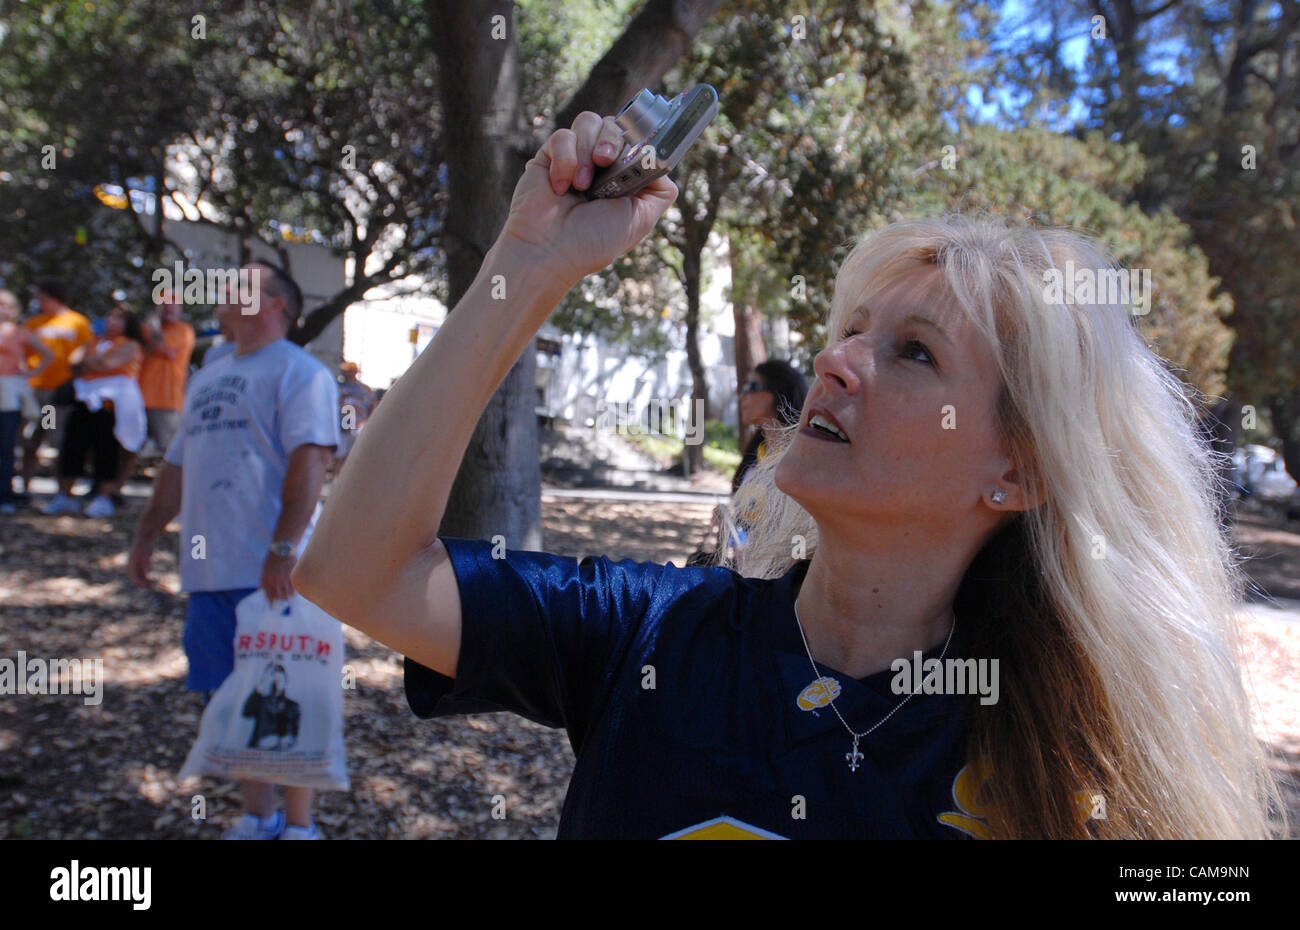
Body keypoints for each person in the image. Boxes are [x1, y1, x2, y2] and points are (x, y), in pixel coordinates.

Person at [294, 112, 1284, 839]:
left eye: (914, 354)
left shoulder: (1065, 768)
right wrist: (528, 262)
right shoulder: (647, 636)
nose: (837, 362)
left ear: (1017, 474)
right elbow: (354, 574)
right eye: (849, 331)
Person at [127, 260, 339, 841]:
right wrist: (147, 534)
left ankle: (299, 825)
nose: (222, 296)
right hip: (209, 570)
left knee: (290, 689)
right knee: (228, 697)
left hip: (275, 571)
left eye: (239, 288)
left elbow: (311, 462)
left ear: (276, 306)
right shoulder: (207, 372)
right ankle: (258, 814)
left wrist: (282, 547)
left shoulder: (301, 373)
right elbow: (176, 466)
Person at [43, 304, 147, 517]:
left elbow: (106, 363)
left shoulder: (131, 345)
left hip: (110, 406)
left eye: (119, 318)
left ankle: (103, 498)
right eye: (111, 316)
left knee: (106, 451)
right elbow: (74, 362)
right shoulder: (93, 341)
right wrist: (95, 363)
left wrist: (91, 364)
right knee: (72, 447)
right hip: (82, 402)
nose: (112, 321)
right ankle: (65, 495)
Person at [20, 280, 94, 495]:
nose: (39, 301)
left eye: (42, 297)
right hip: (34, 391)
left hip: (57, 395)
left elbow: (87, 353)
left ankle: (59, 490)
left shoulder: (77, 322)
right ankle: (24, 487)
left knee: (55, 440)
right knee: (29, 440)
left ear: (55, 297)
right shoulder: (34, 323)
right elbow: (21, 353)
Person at [0, 290, 55, 513]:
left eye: (5, 305)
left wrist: (31, 373)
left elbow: (48, 354)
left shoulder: (20, 332)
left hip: (9, 395)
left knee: (6, 446)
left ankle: (5, 496)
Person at [732, 360, 807, 492]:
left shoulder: (801, 457)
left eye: (751, 387)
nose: (742, 396)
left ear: (777, 391)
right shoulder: (757, 453)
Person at [138, 294, 195, 461]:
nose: (169, 307)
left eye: (173, 304)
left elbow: (163, 349)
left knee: (171, 452)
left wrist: (154, 329)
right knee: (128, 448)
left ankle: (177, 487)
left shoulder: (183, 330)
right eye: (164, 304)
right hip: (139, 397)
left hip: (167, 400)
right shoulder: (144, 330)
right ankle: (112, 487)